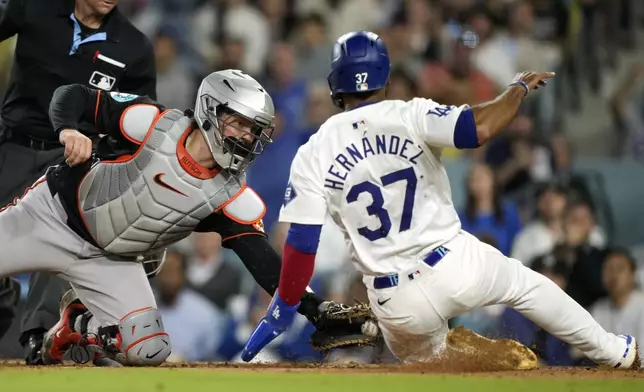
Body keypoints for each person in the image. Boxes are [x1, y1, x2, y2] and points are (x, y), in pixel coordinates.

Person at [240, 31, 640, 371]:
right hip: (453, 263)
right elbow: (480, 127)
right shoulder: (410, 113)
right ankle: (615, 353)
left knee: (438, 368)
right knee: (526, 286)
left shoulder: (313, 151)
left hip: (395, 301)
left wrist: (281, 311)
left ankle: (460, 351)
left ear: (333, 84)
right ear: (386, 78)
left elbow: (301, 245)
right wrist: (516, 89)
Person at [0, 69, 374, 367]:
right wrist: (67, 129)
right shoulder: (152, 123)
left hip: (110, 260)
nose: (245, 137)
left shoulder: (231, 197)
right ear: (211, 109)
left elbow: (267, 266)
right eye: (238, 123)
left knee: (149, 349)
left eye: (253, 130)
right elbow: (74, 95)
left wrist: (315, 308)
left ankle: (76, 326)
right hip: (52, 217)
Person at [0, 0, 157, 364]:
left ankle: (39, 337)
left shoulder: (133, 46)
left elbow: (140, 119)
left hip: (72, 160)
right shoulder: (33, 8)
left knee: (61, 243)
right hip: (13, 144)